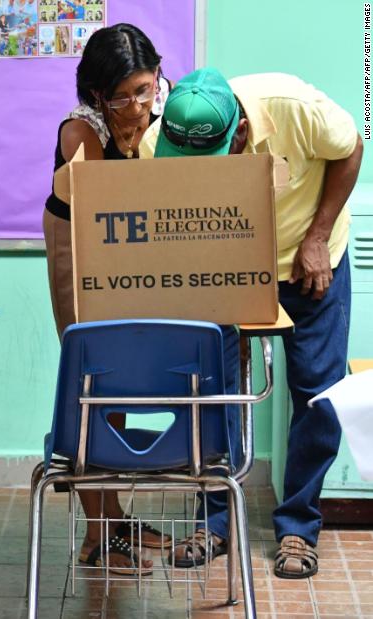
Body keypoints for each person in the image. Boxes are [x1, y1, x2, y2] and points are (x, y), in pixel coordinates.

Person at [141, 68, 362, 579]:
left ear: (239, 131)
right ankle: (213, 523)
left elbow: (350, 149)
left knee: (318, 391)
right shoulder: (158, 141)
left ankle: (297, 528)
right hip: (227, 265)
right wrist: (218, 296)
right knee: (214, 391)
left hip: (309, 260)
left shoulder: (293, 106)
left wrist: (318, 236)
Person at [43, 23, 174, 575]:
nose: (140, 104)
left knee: (119, 388)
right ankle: (99, 534)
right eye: (124, 96)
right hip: (81, 249)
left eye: (146, 89)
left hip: (134, 250)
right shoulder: (82, 130)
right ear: (98, 93)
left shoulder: (165, 100)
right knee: (94, 382)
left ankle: (115, 519)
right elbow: (106, 211)